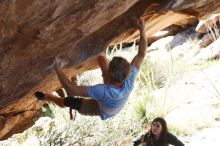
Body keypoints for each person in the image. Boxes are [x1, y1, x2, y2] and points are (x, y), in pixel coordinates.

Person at [35, 18, 148, 120]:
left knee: (69, 101)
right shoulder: (130, 77)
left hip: (103, 110)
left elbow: (71, 91)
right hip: (112, 97)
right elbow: (141, 54)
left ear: (109, 74)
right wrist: (142, 29)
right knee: (102, 58)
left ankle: (48, 97)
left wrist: (57, 68)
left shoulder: (103, 91)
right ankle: (100, 52)